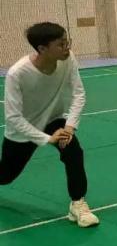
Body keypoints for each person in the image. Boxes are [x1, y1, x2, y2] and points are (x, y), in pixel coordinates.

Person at [1, 23, 97, 227]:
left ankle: (77, 204)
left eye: (67, 42)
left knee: (73, 152)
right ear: (42, 48)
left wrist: (69, 127)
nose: (67, 48)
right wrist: (47, 138)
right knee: (6, 176)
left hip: (54, 120)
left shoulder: (67, 58)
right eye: (61, 44)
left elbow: (79, 94)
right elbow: (13, 118)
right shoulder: (17, 74)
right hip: (23, 130)